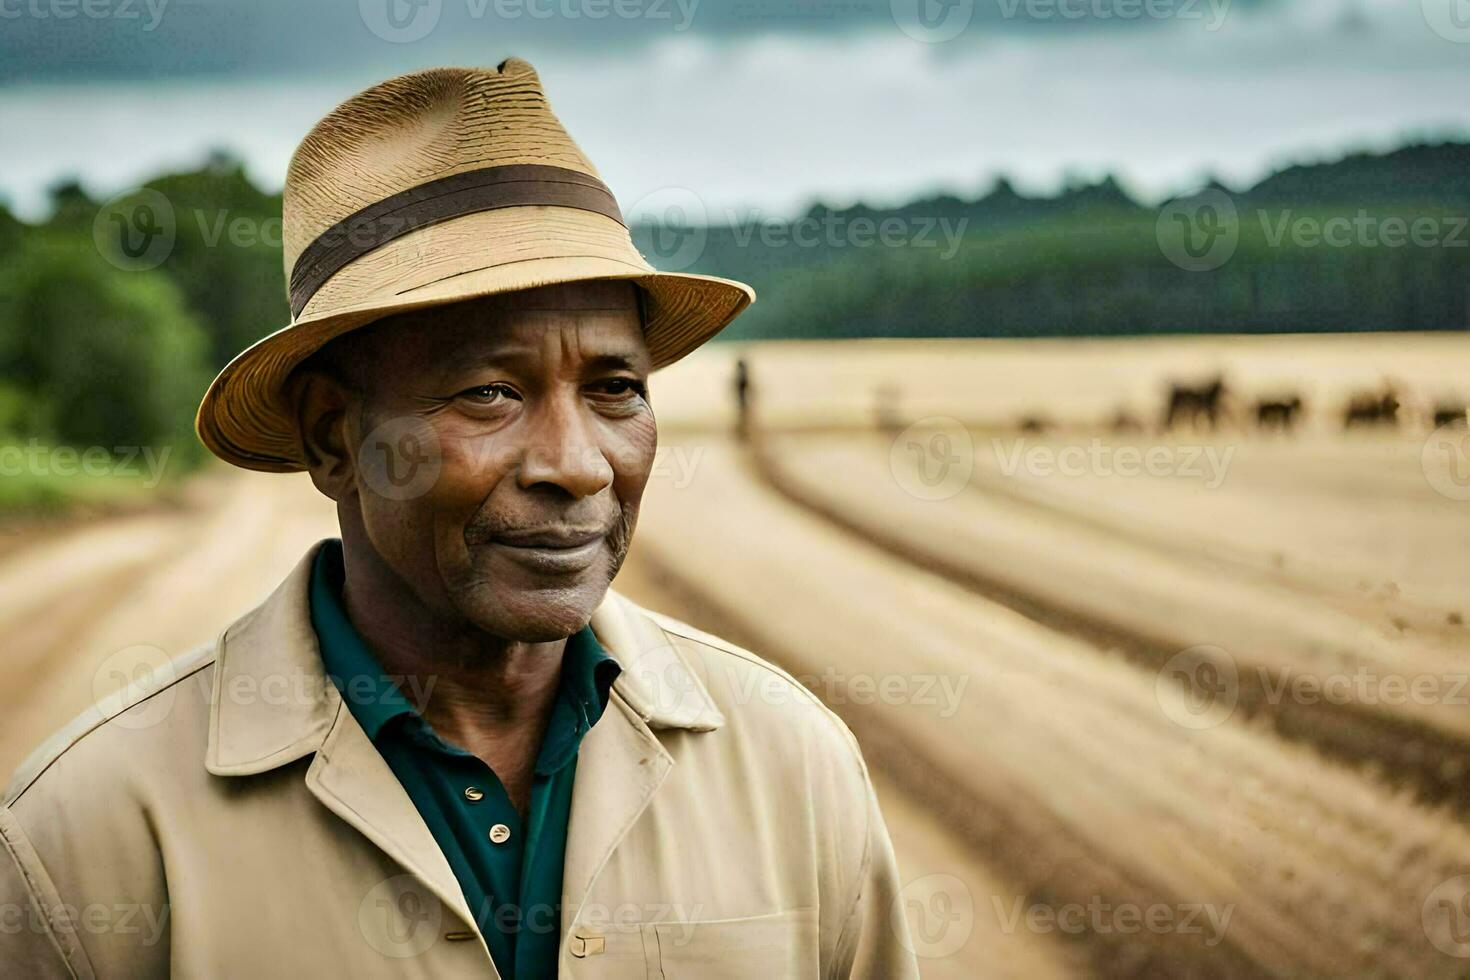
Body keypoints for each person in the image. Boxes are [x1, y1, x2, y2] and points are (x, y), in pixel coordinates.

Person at [0, 60, 917, 978]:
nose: (578, 463)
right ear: (333, 438)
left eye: (615, 389)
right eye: (489, 391)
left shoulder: (792, 769)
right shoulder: (93, 836)